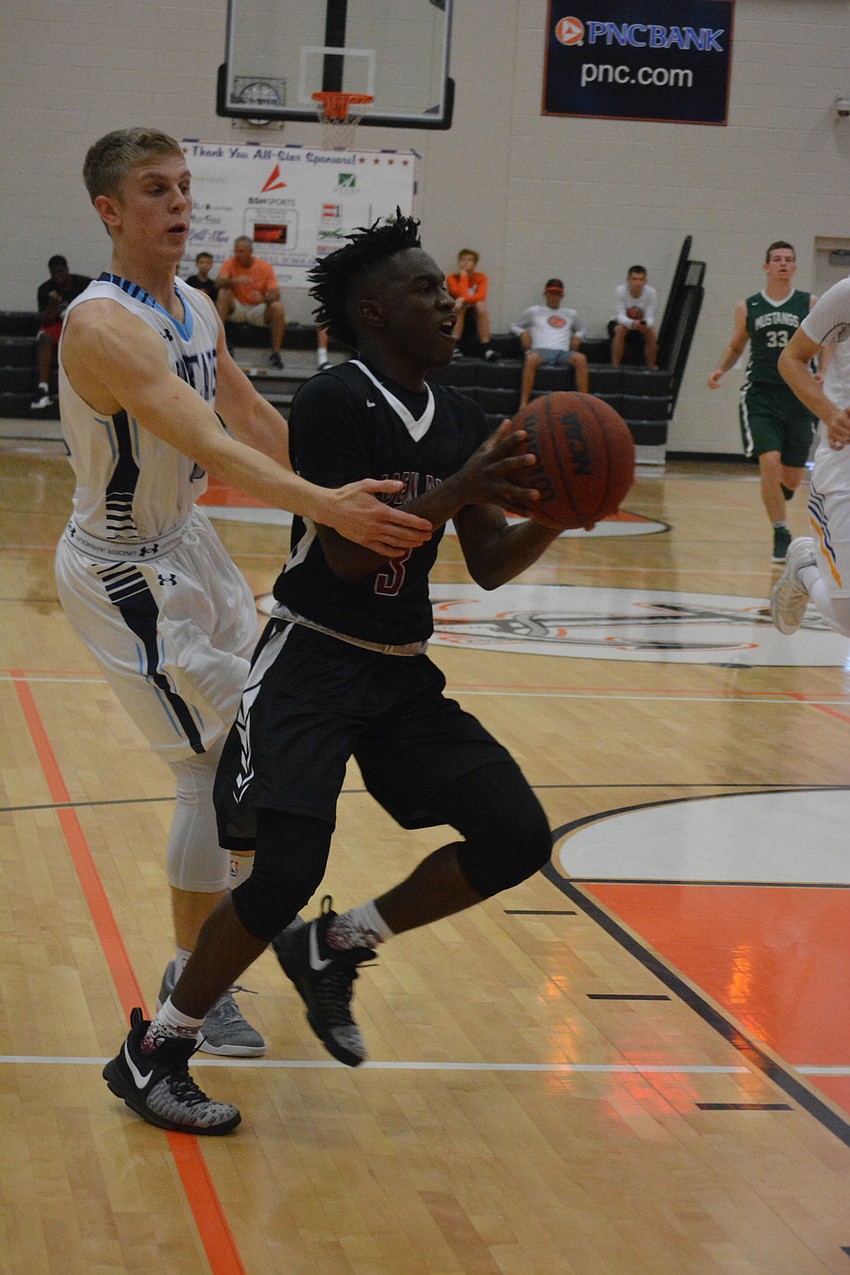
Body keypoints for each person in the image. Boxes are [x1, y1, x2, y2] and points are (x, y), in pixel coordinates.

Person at [102, 211, 566, 1136]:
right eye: (427, 290)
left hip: (399, 673)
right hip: (312, 659)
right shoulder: (331, 401)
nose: (448, 302)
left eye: (448, 289)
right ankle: (155, 1052)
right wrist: (460, 487)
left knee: (517, 835)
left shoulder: (463, 415)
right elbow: (353, 556)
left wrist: (564, 513)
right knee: (283, 868)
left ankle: (336, 946)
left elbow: (486, 561)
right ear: (373, 310)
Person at [55, 129, 431, 1067]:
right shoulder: (101, 324)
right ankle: (193, 985)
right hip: (123, 568)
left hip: (192, 544)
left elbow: (251, 418)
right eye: (155, 190)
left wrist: (326, 489)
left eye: (185, 187)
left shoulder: (194, 302)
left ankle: (221, 947)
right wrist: (326, 512)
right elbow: (210, 446)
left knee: (249, 756)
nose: (180, 204)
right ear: (110, 210)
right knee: (212, 758)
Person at [707, 241, 818, 563]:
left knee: (793, 477)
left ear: (794, 267)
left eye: (788, 260)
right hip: (761, 394)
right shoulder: (749, 306)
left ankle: (777, 497)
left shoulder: (809, 303)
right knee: (769, 461)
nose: (783, 264)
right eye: (776, 260)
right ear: (766, 267)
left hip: (799, 395)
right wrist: (720, 369)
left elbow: (824, 345)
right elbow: (736, 346)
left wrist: (823, 373)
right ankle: (781, 531)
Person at [770, 275, 850, 638]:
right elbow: (791, 358)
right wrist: (831, 414)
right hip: (845, 465)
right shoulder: (846, 294)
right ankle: (805, 566)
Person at [514, 278, 589, 408]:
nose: (554, 297)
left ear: (562, 296)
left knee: (581, 359)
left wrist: (578, 336)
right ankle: (524, 403)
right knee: (531, 358)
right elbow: (515, 325)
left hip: (562, 352)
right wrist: (522, 333)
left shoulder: (571, 314)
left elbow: (582, 329)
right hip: (540, 351)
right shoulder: (534, 311)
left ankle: (585, 403)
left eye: (557, 294)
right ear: (545, 294)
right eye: (551, 293)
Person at [31, 255, 91, 409]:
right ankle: (42, 389)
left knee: (85, 337)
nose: (58, 276)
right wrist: (53, 304)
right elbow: (47, 320)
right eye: (54, 273)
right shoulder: (45, 289)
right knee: (44, 338)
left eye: (60, 272)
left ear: (66, 270)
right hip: (56, 325)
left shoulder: (83, 284)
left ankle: (82, 389)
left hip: (77, 324)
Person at [216, 235, 286, 368]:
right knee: (223, 292)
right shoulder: (230, 263)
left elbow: (276, 293)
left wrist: (264, 298)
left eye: (241, 251)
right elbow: (218, 283)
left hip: (256, 310)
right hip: (238, 309)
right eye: (236, 251)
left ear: (250, 251)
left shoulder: (265, 267)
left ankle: (275, 354)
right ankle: (218, 346)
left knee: (277, 307)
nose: (238, 255)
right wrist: (234, 281)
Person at [446, 249, 499, 361]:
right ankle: (455, 347)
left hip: (474, 316)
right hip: (456, 315)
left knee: (481, 304)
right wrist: (464, 276)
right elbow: (459, 293)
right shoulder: (452, 278)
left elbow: (481, 296)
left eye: (469, 260)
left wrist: (462, 299)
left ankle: (487, 348)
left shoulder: (481, 277)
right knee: (462, 305)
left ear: (475, 265)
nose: (465, 262)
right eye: (462, 259)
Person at [609, 265, 658, 370]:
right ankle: (615, 367)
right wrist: (632, 324)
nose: (637, 282)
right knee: (621, 329)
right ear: (628, 280)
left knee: (652, 332)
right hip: (620, 322)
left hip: (641, 324)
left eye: (641, 279)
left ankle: (651, 367)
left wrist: (644, 325)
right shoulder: (620, 291)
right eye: (634, 279)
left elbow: (650, 316)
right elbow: (620, 315)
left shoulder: (651, 293)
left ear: (646, 281)